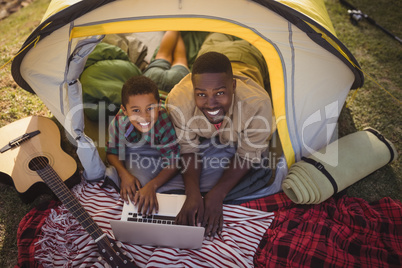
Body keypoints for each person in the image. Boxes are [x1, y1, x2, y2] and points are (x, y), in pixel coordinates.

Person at [165, 33, 277, 238]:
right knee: (213, 34)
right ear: (192, 88)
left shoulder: (257, 104)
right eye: (201, 94)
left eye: (220, 93)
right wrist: (193, 193)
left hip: (248, 52)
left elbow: (249, 154)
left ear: (233, 86)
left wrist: (218, 193)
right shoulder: (178, 101)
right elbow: (187, 148)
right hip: (212, 47)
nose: (211, 103)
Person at [106, 75, 182, 215]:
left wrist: (152, 186)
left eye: (150, 108)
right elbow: (112, 152)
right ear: (124, 110)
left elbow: (174, 162)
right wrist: (124, 175)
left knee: (176, 70)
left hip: (166, 92)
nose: (145, 117)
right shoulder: (119, 122)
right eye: (136, 111)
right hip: (142, 144)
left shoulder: (164, 121)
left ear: (158, 106)